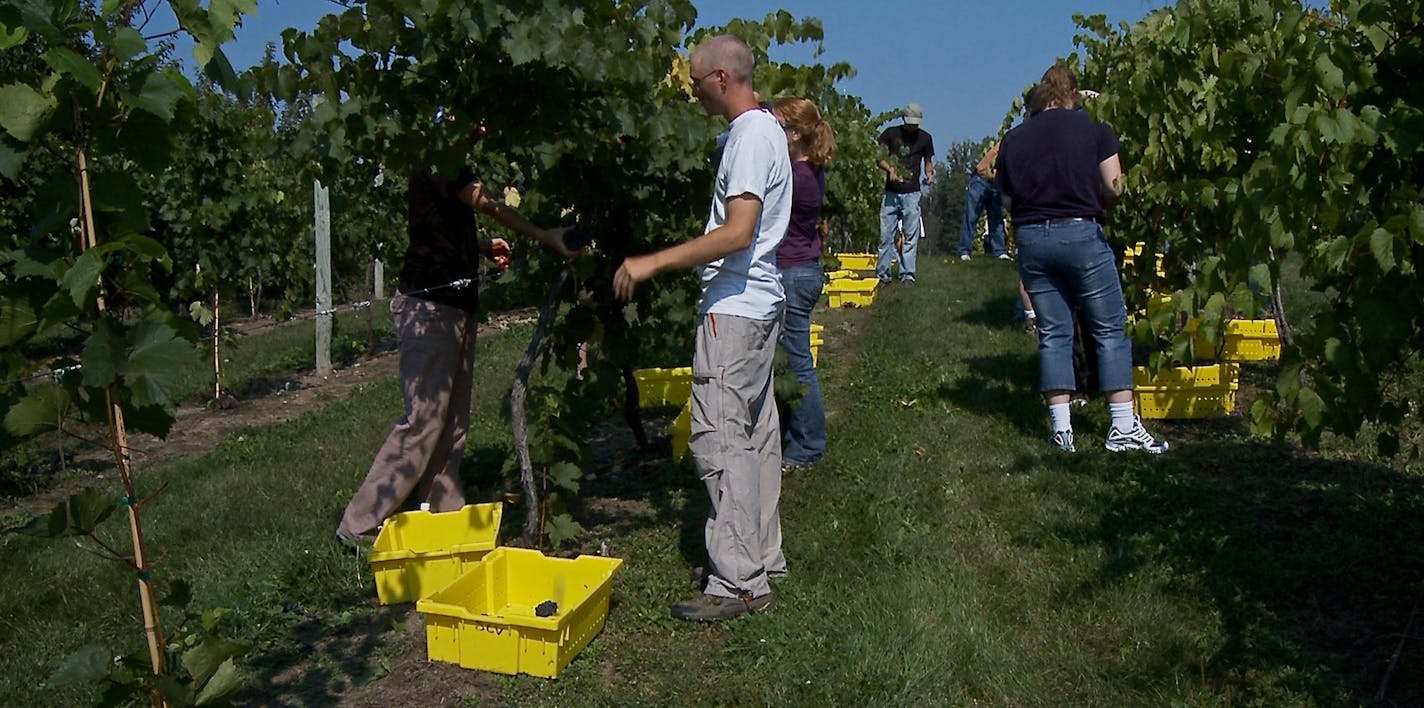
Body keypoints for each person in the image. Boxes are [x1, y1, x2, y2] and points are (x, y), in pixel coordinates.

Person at [613, 35, 791, 622]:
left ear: (720, 77)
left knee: (719, 437)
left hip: (735, 307)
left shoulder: (748, 137)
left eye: (695, 83)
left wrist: (651, 261)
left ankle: (738, 581)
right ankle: (760, 558)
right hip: (762, 303)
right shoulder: (767, 131)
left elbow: (738, 232)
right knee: (755, 435)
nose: (692, 93)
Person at [337, 124, 581, 544]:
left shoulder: (449, 162)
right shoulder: (438, 159)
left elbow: (438, 228)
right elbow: (484, 203)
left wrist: (481, 247)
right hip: (429, 310)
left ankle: (442, 514)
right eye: (474, 122)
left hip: (453, 306)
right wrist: (545, 235)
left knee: (452, 422)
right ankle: (358, 525)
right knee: (425, 421)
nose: (481, 130)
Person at [995, 64, 1167, 454]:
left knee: (1054, 332)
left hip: (1033, 239)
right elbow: (1115, 185)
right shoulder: (1094, 130)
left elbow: (1007, 200)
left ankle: (1061, 430)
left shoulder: (1014, 139)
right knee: (1108, 328)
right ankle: (1122, 426)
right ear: (1073, 95)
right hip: (1080, 231)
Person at [771, 96, 835, 470]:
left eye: (778, 126)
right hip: (803, 269)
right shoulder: (809, 167)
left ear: (794, 134)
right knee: (792, 361)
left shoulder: (796, 176)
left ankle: (808, 446)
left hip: (793, 273)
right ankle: (795, 437)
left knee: (797, 363)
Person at [875, 104, 934, 284]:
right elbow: (878, 157)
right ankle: (883, 274)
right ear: (903, 120)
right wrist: (890, 169)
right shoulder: (890, 134)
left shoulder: (925, 138)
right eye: (910, 124)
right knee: (886, 235)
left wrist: (929, 174)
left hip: (912, 193)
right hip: (891, 192)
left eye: (915, 124)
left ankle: (907, 274)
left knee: (910, 235)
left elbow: (928, 161)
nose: (912, 127)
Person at [959, 141, 1010, 260]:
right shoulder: (1002, 146)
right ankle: (964, 250)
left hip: (996, 184)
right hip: (980, 181)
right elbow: (981, 168)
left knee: (996, 218)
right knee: (971, 217)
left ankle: (1000, 251)